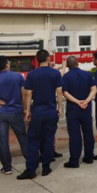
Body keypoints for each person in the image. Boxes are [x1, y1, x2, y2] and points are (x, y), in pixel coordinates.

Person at [17, 49, 63, 179]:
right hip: (50, 111)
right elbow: (59, 92)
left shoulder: (32, 74)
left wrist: (27, 110)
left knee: (33, 140)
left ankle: (31, 169)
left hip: (37, 112)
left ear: (37, 60)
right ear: (48, 59)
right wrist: (59, 107)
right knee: (48, 139)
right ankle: (46, 167)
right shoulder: (55, 73)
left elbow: (28, 93)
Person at [0, 56, 29, 175]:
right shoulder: (18, 76)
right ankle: (31, 162)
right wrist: (25, 108)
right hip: (16, 112)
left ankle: (7, 167)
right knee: (23, 138)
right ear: (7, 65)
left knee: (2, 141)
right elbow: (24, 93)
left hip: (0, 113)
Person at [62, 56, 97, 168]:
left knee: (74, 135)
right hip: (86, 108)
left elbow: (65, 93)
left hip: (73, 108)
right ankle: (89, 156)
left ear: (67, 65)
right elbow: (94, 89)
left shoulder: (67, 76)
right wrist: (86, 100)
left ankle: (74, 160)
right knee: (88, 132)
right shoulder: (87, 74)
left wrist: (77, 102)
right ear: (78, 63)